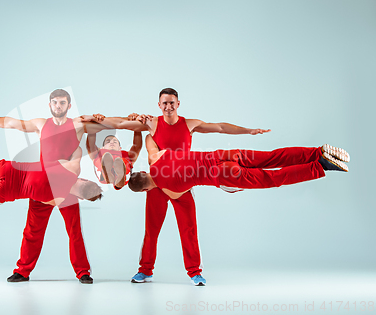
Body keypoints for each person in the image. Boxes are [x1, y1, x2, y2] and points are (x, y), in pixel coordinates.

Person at [90, 87, 271, 286]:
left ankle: (194, 272)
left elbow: (219, 127)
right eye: (164, 103)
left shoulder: (189, 124)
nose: (168, 106)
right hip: (156, 185)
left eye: (172, 102)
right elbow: (121, 123)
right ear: (159, 105)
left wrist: (248, 131)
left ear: (178, 104)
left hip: (182, 186)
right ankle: (145, 271)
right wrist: (95, 118)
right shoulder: (152, 123)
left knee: (189, 229)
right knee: (152, 230)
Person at [0, 89, 105, 284]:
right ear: (50, 105)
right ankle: (22, 271)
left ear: (69, 106)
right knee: (32, 231)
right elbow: (12, 123)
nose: (58, 106)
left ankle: (83, 272)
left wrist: (99, 118)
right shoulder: (41, 124)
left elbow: (107, 123)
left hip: (68, 187)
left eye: (62, 103)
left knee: (74, 231)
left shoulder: (77, 125)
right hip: (41, 186)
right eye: (55, 102)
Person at [127, 135, 350, 197]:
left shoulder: (169, 191)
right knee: (272, 157)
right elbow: (149, 138)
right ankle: (317, 152)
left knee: (272, 178)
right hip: (222, 154)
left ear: (146, 189)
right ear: (144, 171)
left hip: (223, 175)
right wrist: (139, 131)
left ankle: (320, 166)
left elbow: (187, 186)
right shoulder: (156, 158)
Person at [86, 124, 142, 189]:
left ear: (119, 148)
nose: (112, 142)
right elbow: (90, 145)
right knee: (100, 158)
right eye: (108, 141)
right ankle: (107, 173)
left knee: (124, 160)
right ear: (103, 147)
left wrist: (137, 128)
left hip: (123, 170)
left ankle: (120, 178)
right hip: (103, 174)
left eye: (115, 142)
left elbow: (137, 146)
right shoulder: (99, 153)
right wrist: (92, 129)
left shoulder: (126, 155)